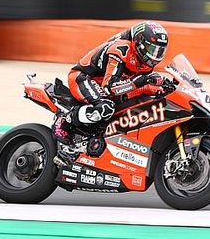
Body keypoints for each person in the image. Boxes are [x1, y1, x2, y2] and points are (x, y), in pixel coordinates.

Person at [52, 21, 171, 159]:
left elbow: (136, 88)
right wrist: (143, 81)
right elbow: (109, 88)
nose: (155, 56)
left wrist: (159, 89)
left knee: (142, 102)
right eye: (152, 49)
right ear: (140, 42)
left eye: (159, 51)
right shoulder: (121, 49)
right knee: (106, 107)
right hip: (84, 78)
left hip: (105, 85)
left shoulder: (144, 62)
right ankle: (65, 120)